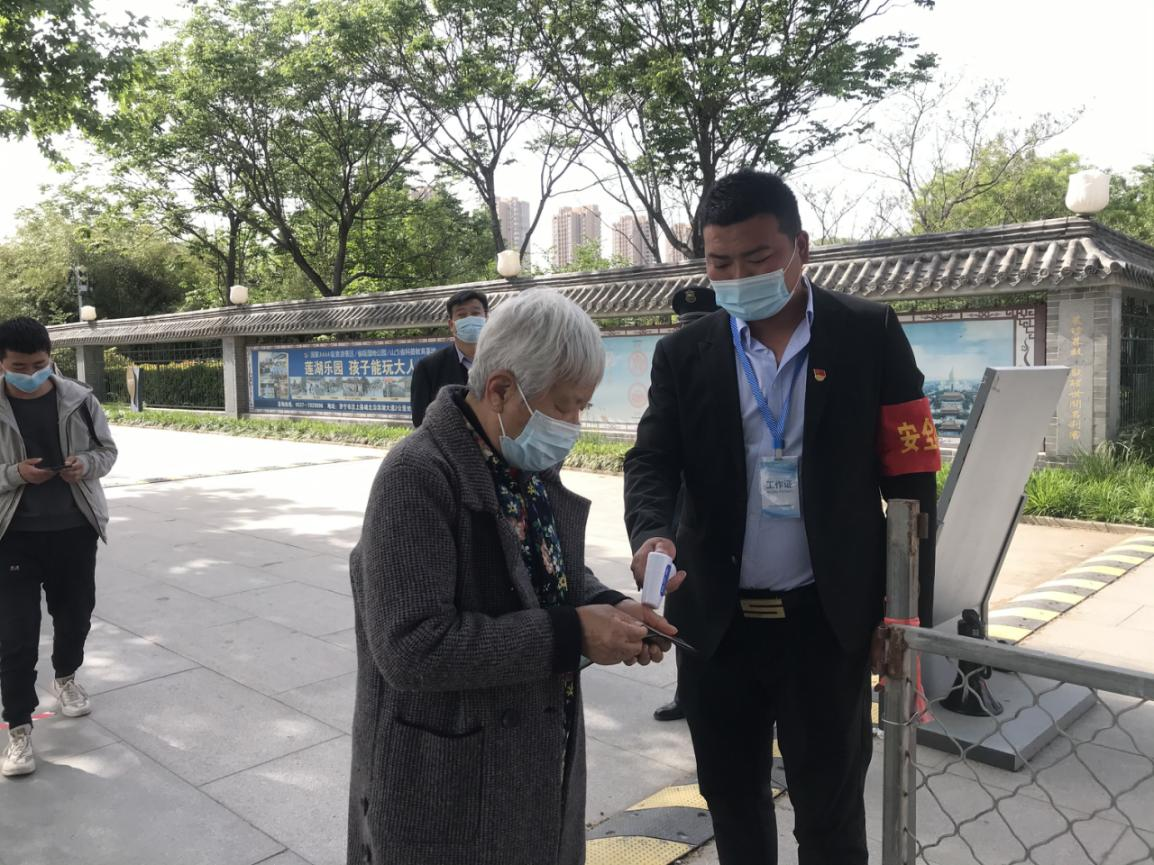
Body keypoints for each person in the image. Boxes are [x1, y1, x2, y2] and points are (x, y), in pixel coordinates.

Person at [624, 170, 938, 864]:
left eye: (757, 258)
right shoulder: (685, 352)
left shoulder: (869, 333)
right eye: (719, 263)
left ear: (801, 247)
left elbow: (913, 478)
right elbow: (651, 459)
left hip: (826, 625)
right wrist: (651, 532)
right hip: (717, 626)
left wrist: (905, 611)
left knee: (830, 820)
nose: (738, 277)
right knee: (733, 808)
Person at [348, 290, 680, 865]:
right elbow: (410, 647)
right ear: (500, 389)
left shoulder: (525, 463)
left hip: (535, 762)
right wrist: (574, 634)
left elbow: (552, 570)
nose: (573, 425)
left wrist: (612, 606)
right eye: (564, 407)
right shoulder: (417, 475)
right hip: (444, 785)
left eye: (582, 407)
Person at [0, 317, 118, 778]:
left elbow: (107, 452)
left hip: (73, 529)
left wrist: (85, 464)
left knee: (75, 616)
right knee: (15, 635)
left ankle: (66, 676)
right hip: (13, 536)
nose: (30, 374)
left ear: (51, 358)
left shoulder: (79, 400)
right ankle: (18, 726)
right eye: (19, 366)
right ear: (1, 363)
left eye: (39, 364)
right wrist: (15, 474)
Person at [652, 285, 718, 724]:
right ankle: (685, 691)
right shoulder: (673, 359)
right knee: (681, 598)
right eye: (686, 326)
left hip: (716, 502)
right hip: (679, 498)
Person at [409, 288, 489, 427]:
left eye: (475, 313)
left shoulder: (504, 361)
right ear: (452, 325)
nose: (469, 319)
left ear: (486, 319)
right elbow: (420, 421)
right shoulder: (428, 368)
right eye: (462, 315)